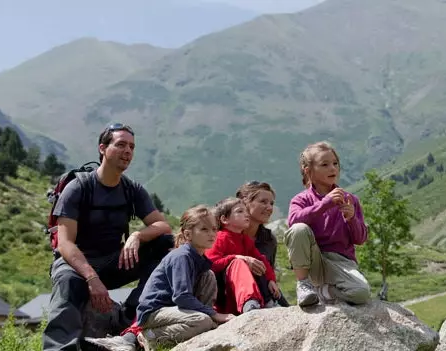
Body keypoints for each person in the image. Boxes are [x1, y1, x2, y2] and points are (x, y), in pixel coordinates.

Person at [42, 123, 175, 351]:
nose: (128, 151)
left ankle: (129, 317)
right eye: (121, 145)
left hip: (114, 260)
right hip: (75, 263)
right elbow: (65, 243)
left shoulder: (132, 189)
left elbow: (163, 226)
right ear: (102, 148)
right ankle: (59, 348)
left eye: (132, 147)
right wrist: (92, 279)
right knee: (67, 281)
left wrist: (137, 235)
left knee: (166, 245)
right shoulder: (78, 187)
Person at [87, 205, 235, 351]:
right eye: (204, 229)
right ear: (188, 235)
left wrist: (211, 316)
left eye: (214, 229)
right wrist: (214, 315)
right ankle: (147, 337)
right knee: (202, 321)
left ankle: (200, 324)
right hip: (154, 312)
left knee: (208, 277)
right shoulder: (182, 257)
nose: (212, 234)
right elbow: (182, 297)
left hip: (174, 311)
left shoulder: (199, 261)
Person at [284, 141, 371, 307]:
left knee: (361, 292)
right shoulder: (301, 199)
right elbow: (293, 223)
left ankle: (324, 292)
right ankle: (304, 284)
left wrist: (352, 219)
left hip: (341, 263)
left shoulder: (350, 199)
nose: (332, 168)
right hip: (313, 261)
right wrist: (325, 204)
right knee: (298, 229)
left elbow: (360, 239)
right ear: (308, 171)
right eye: (324, 164)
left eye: (335, 163)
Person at [205, 198, 281, 314]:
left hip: (236, 291)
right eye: (240, 211)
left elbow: (261, 259)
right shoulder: (220, 237)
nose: (246, 215)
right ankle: (249, 303)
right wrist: (236, 258)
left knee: (256, 264)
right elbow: (210, 263)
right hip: (223, 293)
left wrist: (271, 279)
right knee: (239, 263)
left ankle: (267, 301)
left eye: (246, 211)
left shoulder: (245, 239)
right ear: (225, 219)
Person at [235, 181, 290, 307]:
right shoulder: (227, 235)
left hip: (264, 297)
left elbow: (268, 278)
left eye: (271, 203)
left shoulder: (269, 240)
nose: (269, 208)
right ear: (245, 202)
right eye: (263, 202)